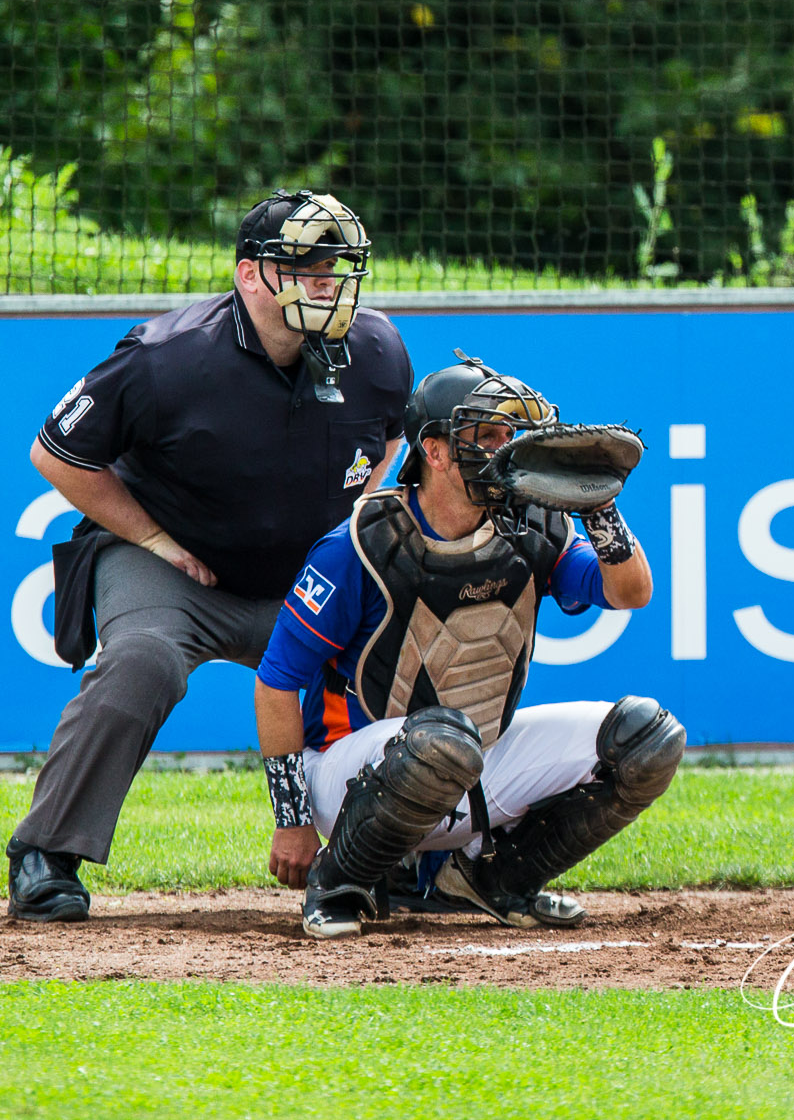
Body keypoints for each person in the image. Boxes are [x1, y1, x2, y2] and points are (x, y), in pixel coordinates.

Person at [8, 192, 410, 923]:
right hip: (173, 565)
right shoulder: (168, 357)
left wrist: (347, 527)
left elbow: (389, 438)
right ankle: (44, 854)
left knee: (402, 650)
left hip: (300, 576)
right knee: (145, 660)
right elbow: (57, 451)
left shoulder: (377, 350)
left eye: (338, 267)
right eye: (306, 266)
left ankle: (408, 858)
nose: (328, 283)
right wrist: (156, 541)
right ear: (251, 274)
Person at [251, 354, 681, 939]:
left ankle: (488, 879)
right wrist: (294, 822)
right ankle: (340, 880)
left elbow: (630, 591)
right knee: (443, 737)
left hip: (471, 759)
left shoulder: (531, 524)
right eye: (485, 435)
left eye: (509, 434)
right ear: (434, 450)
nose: (505, 449)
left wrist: (599, 509)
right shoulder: (361, 544)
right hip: (348, 772)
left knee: (648, 738)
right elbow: (276, 682)